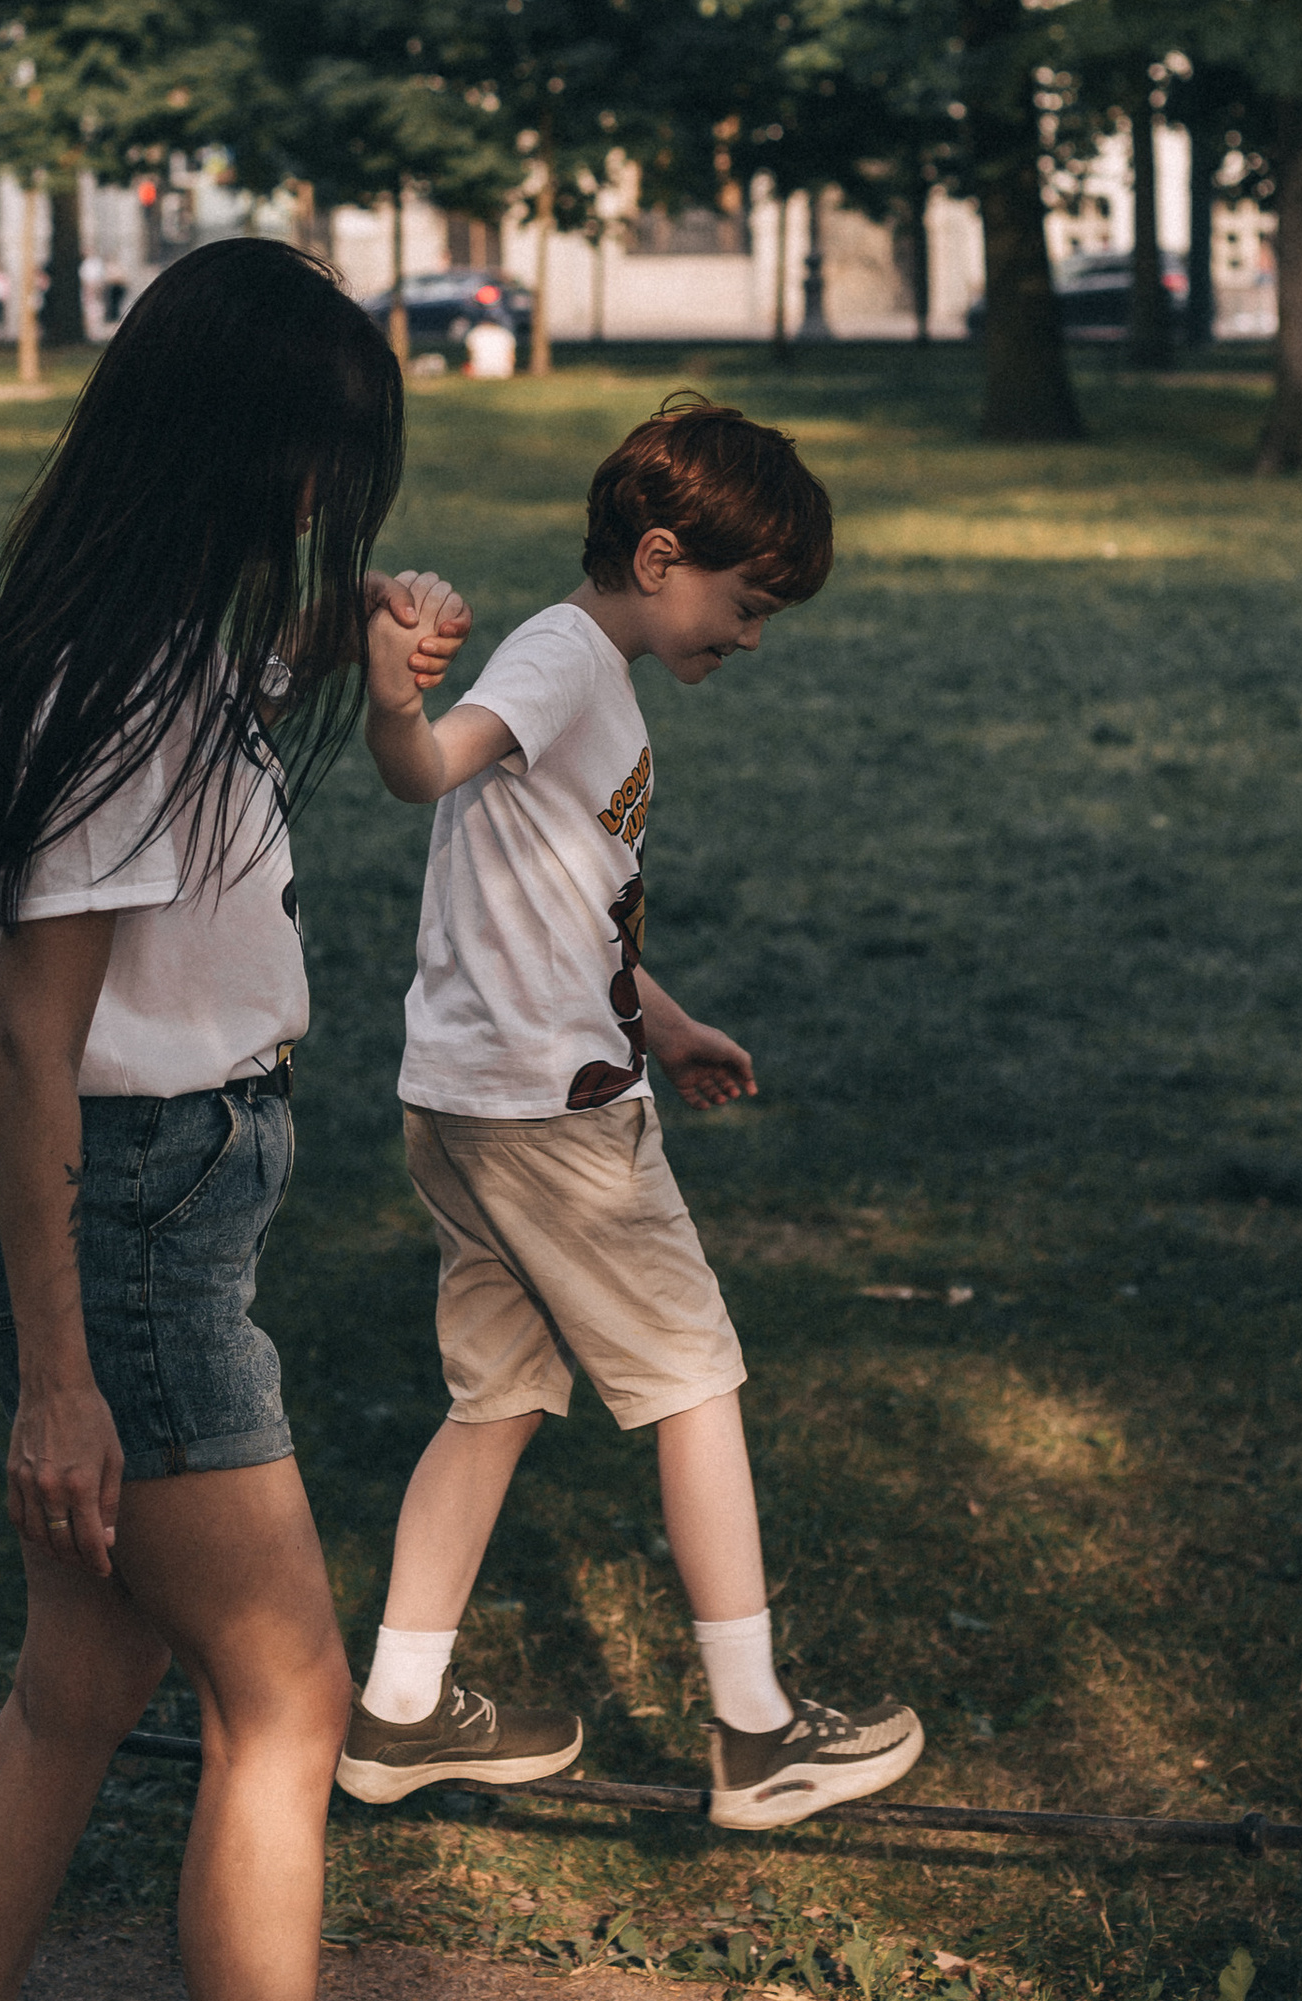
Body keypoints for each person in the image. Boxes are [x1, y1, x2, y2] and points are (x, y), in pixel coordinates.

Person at [0, 237, 515, 2001]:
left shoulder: (143, 631)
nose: (333, 508)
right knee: (289, 1703)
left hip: (162, 1204)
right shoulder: (128, 688)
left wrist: (341, 630)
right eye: (321, 473)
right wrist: (60, 1377)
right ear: (244, 450)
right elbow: (35, 1058)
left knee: (83, 1683)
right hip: (123, 1229)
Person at [338, 395, 926, 1830]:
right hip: (554, 1121)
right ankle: (758, 1736)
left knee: (498, 1399)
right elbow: (423, 772)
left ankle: (398, 1716)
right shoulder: (561, 656)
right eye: (747, 602)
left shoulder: (589, 676)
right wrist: (397, 699)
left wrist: (668, 1022)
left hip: (470, 1102)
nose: (754, 635)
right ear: (661, 557)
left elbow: (565, 901)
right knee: (694, 1379)